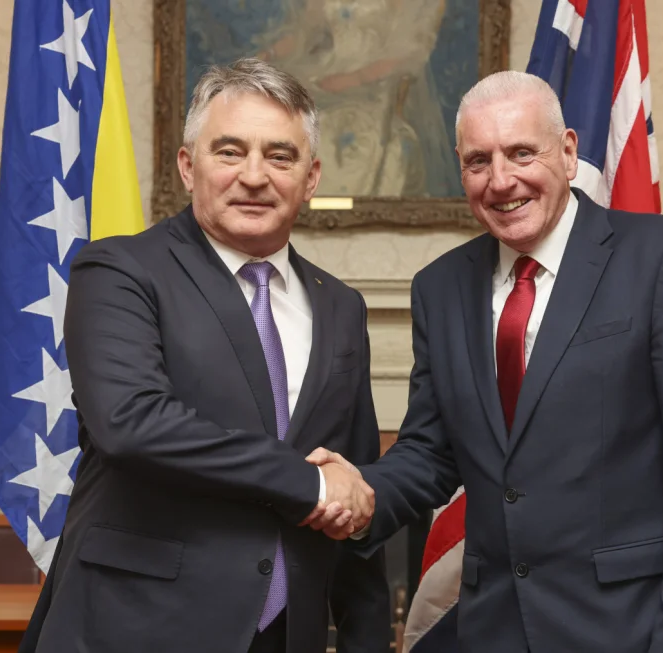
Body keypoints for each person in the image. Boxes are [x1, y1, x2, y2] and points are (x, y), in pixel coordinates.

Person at [308, 71, 663, 652]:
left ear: (568, 153)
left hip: (640, 626)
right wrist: (357, 495)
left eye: (522, 153)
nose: (501, 180)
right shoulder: (440, 288)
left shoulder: (661, 257)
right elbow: (430, 451)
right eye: (478, 161)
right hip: (496, 624)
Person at [19, 58, 387, 653]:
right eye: (230, 151)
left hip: (284, 633)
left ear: (311, 177)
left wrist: (365, 637)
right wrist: (307, 484)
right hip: (134, 626)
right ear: (189, 167)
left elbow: (353, 481)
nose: (255, 176)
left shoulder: (341, 306)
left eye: (280, 156)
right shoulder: (120, 271)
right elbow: (132, 424)